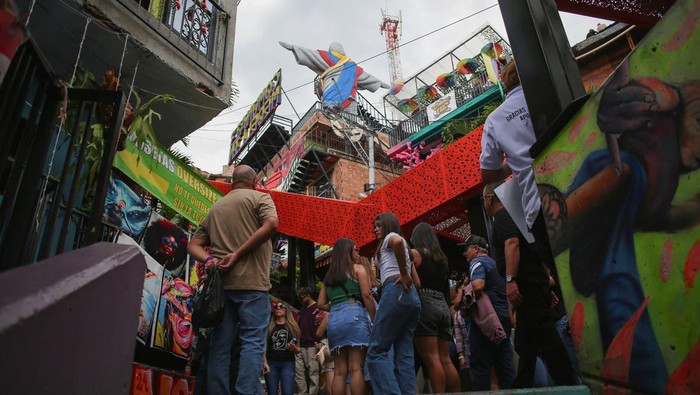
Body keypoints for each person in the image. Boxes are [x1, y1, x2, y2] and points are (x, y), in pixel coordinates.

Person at [187, 164, 279, 395]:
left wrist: (209, 259)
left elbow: (192, 244)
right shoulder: (261, 198)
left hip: (222, 288)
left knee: (220, 345)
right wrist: (237, 253)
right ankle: (247, 392)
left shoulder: (217, 207)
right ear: (255, 182)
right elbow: (272, 224)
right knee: (252, 342)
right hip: (253, 285)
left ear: (232, 183)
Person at [482, 183, 575, 388]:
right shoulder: (517, 217)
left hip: (524, 285)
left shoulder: (503, 217)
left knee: (543, 332)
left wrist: (510, 280)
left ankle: (568, 380)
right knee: (526, 340)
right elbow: (536, 252)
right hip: (532, 284)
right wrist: (545, 287)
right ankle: (523, 383)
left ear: (489, 198)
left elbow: (512, 244)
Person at [479, 59, 557, 279]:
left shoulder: (495, 120)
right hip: (578, 184)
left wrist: (509, 167)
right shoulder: (547, 93)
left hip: (539, 203)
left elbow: (487, 173)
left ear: (505, 82)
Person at [366, 212, 421, 395]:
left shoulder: (392, 237)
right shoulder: (405, 248)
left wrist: (403, 274)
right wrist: (405, 273)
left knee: (376, 351)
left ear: (388, 225)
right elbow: (418, 284)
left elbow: (396, 241)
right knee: (404, 353)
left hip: (395, 290)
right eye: (374, 226)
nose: (375, 229)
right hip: (411, 297)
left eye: (379, 225)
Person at [317, 238, 376, 395]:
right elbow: (367, 296)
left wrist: (336, 305)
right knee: (356, 368)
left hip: (334, 320)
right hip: (354, 317)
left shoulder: (328, 277)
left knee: (339, 371)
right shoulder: (358, 269)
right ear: (347, 252)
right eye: (355, 250)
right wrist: (375, 318)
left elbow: (321, 304)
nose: (357, 253)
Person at [458, 234, 515, 390]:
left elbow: (478, 285)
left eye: (466, 249)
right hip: (502, 318)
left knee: (481, 366)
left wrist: (465, 293)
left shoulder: (477, 262)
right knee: (505, 365)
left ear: (476, 249)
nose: (464, 254)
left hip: (487, 321)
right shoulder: (496, 264)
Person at [409, 222, 460, 393]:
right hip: (443, 307)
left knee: (431, 359)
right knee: (445, 359)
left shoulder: (416, 254)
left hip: (425, 305)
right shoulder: (442, 259)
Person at [279, 41, 389, 109]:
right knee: (345, 120)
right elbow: (367, 78)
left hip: (333, 94)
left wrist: (293, 47)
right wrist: (381, 83)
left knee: (338, 118)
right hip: (347, 98)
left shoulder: (331, 58)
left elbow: (311, 55)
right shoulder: (351, 66)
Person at [263, 302, 301, 395]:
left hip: (287, 363)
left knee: (288, 392)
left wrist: (293, 348)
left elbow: (298, 350)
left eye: (281, 306)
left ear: (286, 310)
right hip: (271, 363)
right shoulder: (269, 327)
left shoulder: (292, 327)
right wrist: (264, 362)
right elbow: (264, 346)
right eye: (275, 307)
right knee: (272, 392)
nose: (278, 308)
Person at [295, 287, 322, 395]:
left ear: (308, 296)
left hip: (312, 344)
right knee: (299, 374)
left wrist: (319, 342)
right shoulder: (303, 309)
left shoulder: (317, 308)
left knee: (313, 373)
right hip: (300, 345)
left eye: (301, 298)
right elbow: (298, 327)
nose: (300, 300)